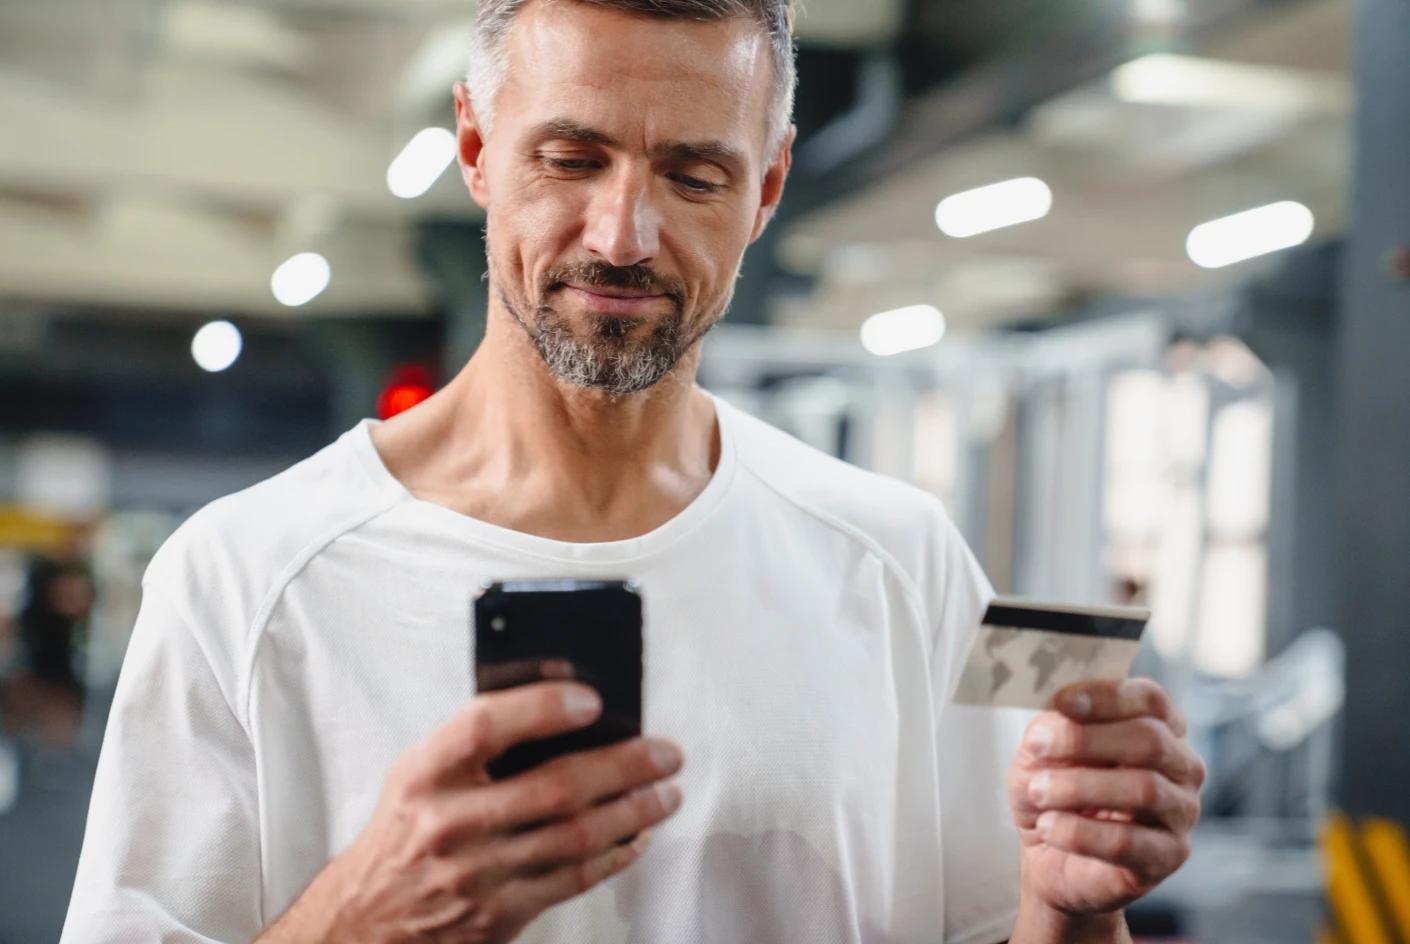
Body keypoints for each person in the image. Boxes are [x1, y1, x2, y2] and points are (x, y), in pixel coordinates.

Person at [61, 1, 1204, 941]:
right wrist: (362, 918)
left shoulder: (902, 562)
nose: (622, 235)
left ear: (766, 189)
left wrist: (1065, 904)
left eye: (695, 175)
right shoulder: (239, 578)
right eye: (570, 158)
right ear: (474, 149)